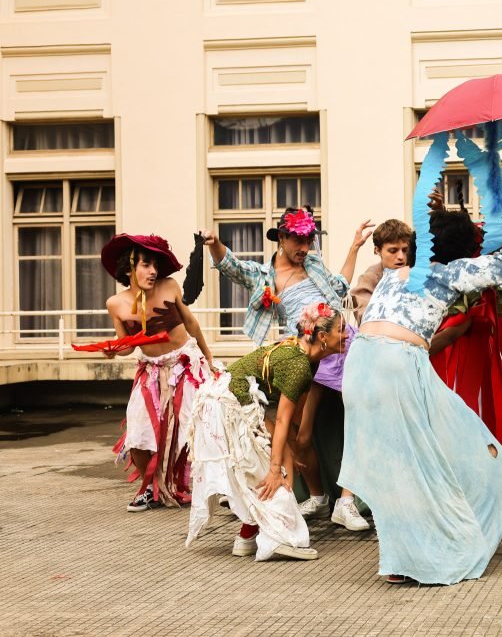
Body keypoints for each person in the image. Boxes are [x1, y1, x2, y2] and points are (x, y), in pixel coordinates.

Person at [340, 211, 502, 585]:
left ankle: (400, 561)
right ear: (464, 250)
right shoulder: (450, 273)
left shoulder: (390, 276)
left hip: (360, 365)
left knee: (399, 462)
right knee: (461, 437)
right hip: (398, 364)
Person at [201, 207, 372, 530]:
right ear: (281, 238)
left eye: (309, 240)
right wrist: (214, 243)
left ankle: (347, 502)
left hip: (341, 343)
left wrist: (354, 247)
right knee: (300, 434)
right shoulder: (266, 276)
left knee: (359, 420)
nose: (304, 248)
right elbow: (232, 267)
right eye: (298, 240)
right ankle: (319, 497)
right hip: (310, 356)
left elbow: (340, 286)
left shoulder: (313, 265)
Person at [187, 302, 346, 561]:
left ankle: (247, 537)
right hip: (227, 406)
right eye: (342, 330)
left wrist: (287, 454)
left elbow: (287, 418)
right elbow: (282, 420)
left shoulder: (305, 359)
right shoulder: (298, 365)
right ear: (322, 337)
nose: (348, 335)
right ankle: (277, 539)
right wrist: (276, 468)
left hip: (231, 403)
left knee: (276, 464)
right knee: (269, 472)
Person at [100, 234, 213, 512]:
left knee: (195, 428)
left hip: (186, 366)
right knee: (137, 429)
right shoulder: (116, 304)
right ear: (130, 268)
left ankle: (201, 484)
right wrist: (115, 350)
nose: (153, 271)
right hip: (150, 372)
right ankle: (149, 488)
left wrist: (209, 358)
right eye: (146, 265)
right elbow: (127, 345)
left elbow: (191, 324)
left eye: (155, 266)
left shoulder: (169, 286)